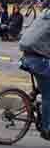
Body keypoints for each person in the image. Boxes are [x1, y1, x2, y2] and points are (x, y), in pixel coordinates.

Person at [19, 7, 50, 138]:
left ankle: (35, 98)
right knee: (48, 95)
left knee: (44, 85)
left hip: (27, 56)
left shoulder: (45, 13)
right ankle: (47, 127)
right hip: (39, 59)